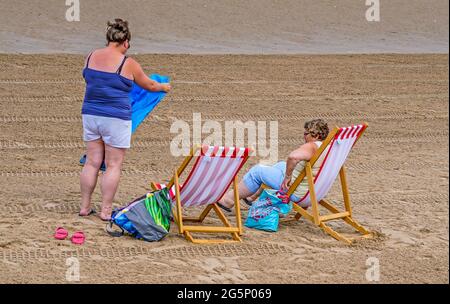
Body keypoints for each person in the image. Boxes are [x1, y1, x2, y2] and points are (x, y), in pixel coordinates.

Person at [79, 19, 171, 220]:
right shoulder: (127, 63)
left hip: (90, 114)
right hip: (116, 118)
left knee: (92, 162)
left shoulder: (91, 56)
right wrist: (164, 87)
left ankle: (84, 207)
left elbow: (89, 79)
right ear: (126, 42)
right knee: (113, 165)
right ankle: (105, 210)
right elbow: (150, 86)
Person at [217, 119, 330, 211]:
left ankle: (228, 200)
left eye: (306, 133)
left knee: (257, 171)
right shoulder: (327, 147)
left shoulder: (312, 146)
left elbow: (293, 157)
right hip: (313, 192)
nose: (304, 136)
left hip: (297, 192)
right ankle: (252, 196)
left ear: (316, 135)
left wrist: (287, 177)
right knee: (281, 165)